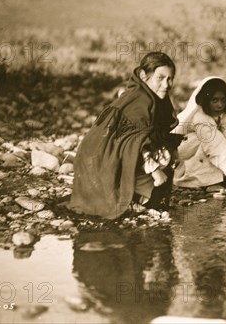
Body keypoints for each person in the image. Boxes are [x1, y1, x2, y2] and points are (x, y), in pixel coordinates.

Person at [69, 52, 184, 219]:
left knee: (165, 158)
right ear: (144, 76)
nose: (166, 84)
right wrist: (155, 171)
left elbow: (158, 133)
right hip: (99, 159)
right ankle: (131, 195)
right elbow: (133, 141)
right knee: (160, 169)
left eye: (170, 78)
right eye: (160, 78)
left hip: (113, 153)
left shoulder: (155, 97)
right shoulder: (139, 100)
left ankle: (139, 195)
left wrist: (173, 153)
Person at [172, 76, 226, 197]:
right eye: (214, 100)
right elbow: (216, 147)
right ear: (206, 100)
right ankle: (203, 182)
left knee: (224, 137)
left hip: (210, 150)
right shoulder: (199, 116)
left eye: (223, 100)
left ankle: (221, 177)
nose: (220, 105)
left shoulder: (223, 113)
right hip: (182, 157)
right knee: (208, 140)